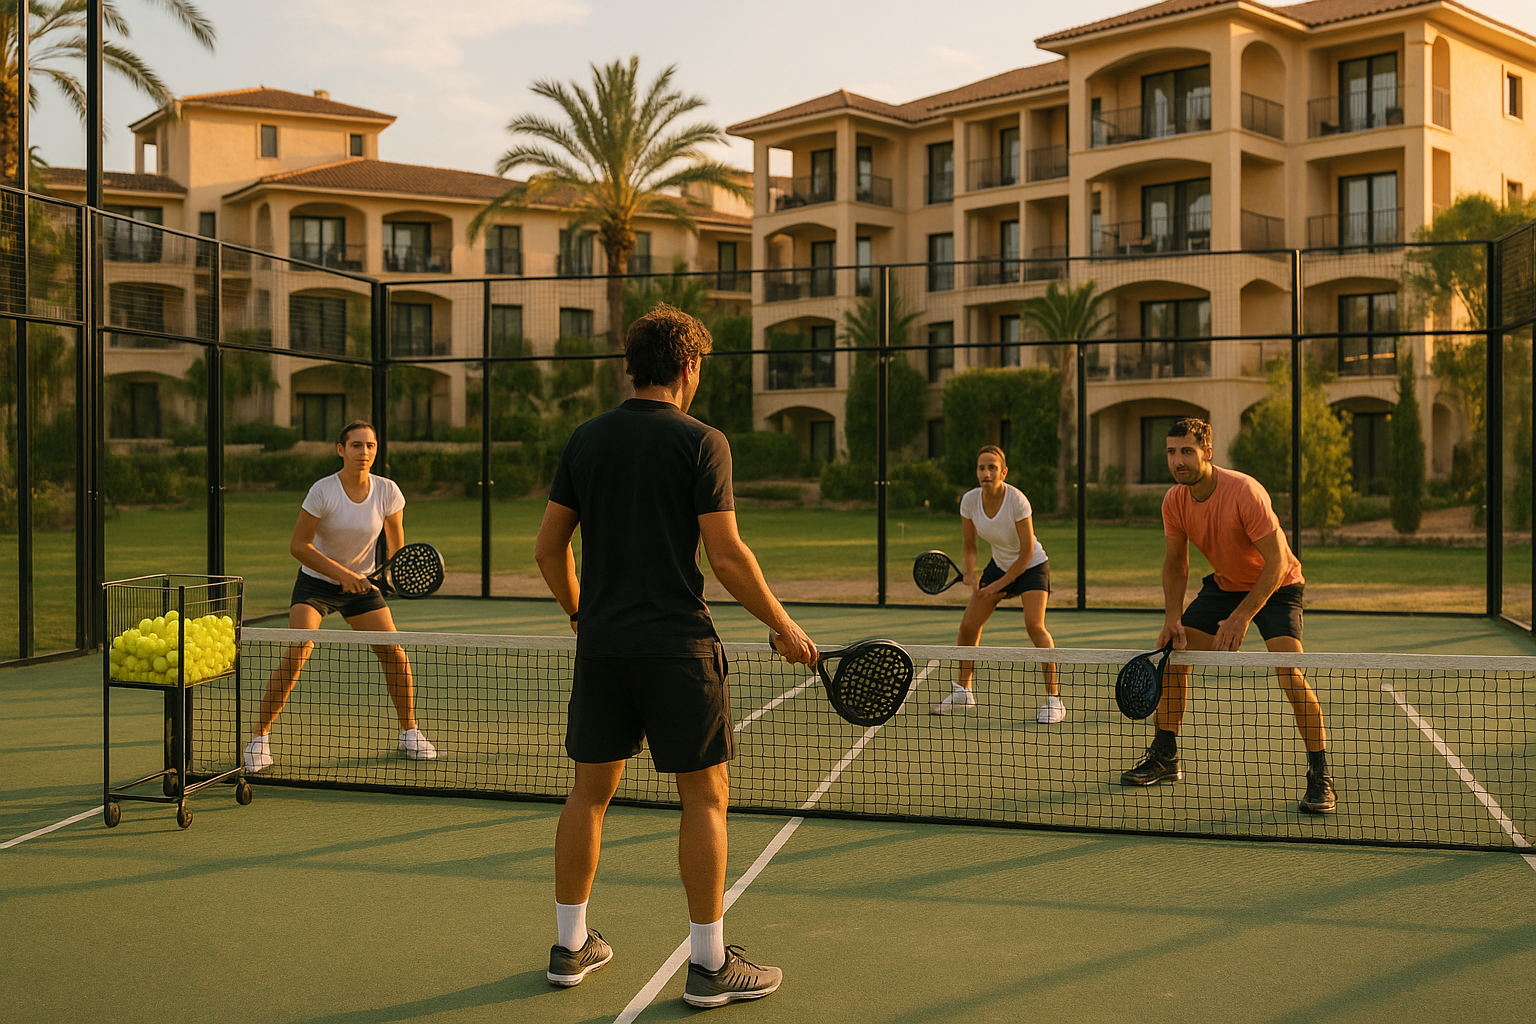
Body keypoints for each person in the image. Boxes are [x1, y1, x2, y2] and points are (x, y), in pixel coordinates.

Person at [534, 305, 817, 1009]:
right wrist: (782, 624)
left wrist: (581, 614)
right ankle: (710, 964)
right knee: (705, 799)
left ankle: (570, 948)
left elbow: (547, 549)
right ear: (688, 367)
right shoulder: (703, 442)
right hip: (677, 650)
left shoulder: (586, 440)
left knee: (587, 796)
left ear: (635, 366)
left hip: (602, 647)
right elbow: (725, 555)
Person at [1120, 417, 1335, 815]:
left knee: (1289, 671)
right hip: (1224, 586)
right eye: (1171, 452)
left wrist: (1240, 617)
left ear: (1208, 452)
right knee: (1174, 657)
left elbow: (1276, 562)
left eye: (1187, 451)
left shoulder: (1244, 492)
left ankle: (1320, 774)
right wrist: (1172, 618)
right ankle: (1165, 756)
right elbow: (1176, 565)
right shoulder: (1174, 501)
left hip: (1278, 585)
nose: (1178, 460)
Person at [242, 421, 436, 773]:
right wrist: (342, 575)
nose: (364, 453)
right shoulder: (323, 491)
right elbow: (298, 546)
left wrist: (386, 578)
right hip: (316, 585)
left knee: (393, 652)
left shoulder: (388, 492)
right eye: (357, 445)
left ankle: (410, 731)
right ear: (340, 449)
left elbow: (397, 548)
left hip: (363, 587)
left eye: (371, 446)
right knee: (300, 647)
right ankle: (258, 739)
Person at [931, 445, 1062, 723]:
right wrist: (969, 572)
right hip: (1000, 564)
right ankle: (963, 690)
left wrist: (997, 586)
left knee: (1035, 627)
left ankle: (1054, 700)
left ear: (1003, 472)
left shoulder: (1017, 500)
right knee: (968, 626)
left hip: (1032, 566)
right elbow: (969, 545)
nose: (986, 473)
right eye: (981, 467)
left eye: (992, 467)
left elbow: (1026, 551)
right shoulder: (969, 501)